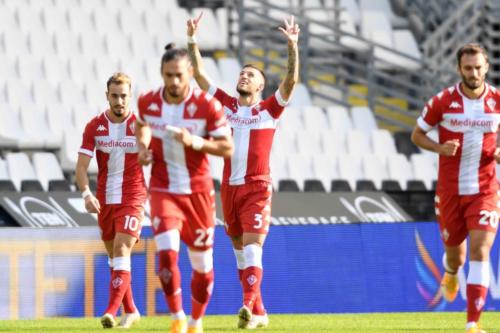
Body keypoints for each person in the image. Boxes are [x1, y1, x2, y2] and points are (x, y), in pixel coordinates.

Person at [187, 13, 299, 329]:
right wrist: (193, 39)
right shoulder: (226, 106)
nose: (245, 77)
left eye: (251, 75)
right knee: (239, 251)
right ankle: (259, 313)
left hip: (257, 186)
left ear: (261, 85)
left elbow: (290, 82)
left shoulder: (270, 109)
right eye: (242, 73)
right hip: (229, 188)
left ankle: (247, 304)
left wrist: (292, 46)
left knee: (252, 246)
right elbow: (200, 77)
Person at [135, 43, 233, 333]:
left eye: (179, 75)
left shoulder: (207, 106)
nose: (174, 82)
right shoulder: (149, 102)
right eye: (168, 75)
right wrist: (143, 148)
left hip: (199, 193)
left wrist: (195, 142)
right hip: (164, 188)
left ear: (190, 73)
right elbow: (141, 124)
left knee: (202, 266)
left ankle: (195, 320)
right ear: (161, 74)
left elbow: (228, 147)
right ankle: (177, 316)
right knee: (166, 254)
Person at [411, 43, 500, 333]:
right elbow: (417, 135)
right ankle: (450, 273)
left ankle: (473, 322)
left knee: (480, 250)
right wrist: (439, 147)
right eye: (468, 68)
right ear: (459, 69)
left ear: (486, 67)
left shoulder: (497, 101)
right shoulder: (443, 101)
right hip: (450, 192)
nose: (474, 73)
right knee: (456, 257)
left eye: (478, 67)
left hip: (485, 190)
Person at [75, 72, 146, 329]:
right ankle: (131, 310)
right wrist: (86, 194)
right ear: (107, 96)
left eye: (124, 96)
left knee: (122, 249)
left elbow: (154, 158)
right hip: (105, 199)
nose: (119, 101)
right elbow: (81, 167)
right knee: (114, 258)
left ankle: (110, 311)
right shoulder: (94, 126)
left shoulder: (141, 127)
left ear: (131, 96)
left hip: (133, 196)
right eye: (114, 96)